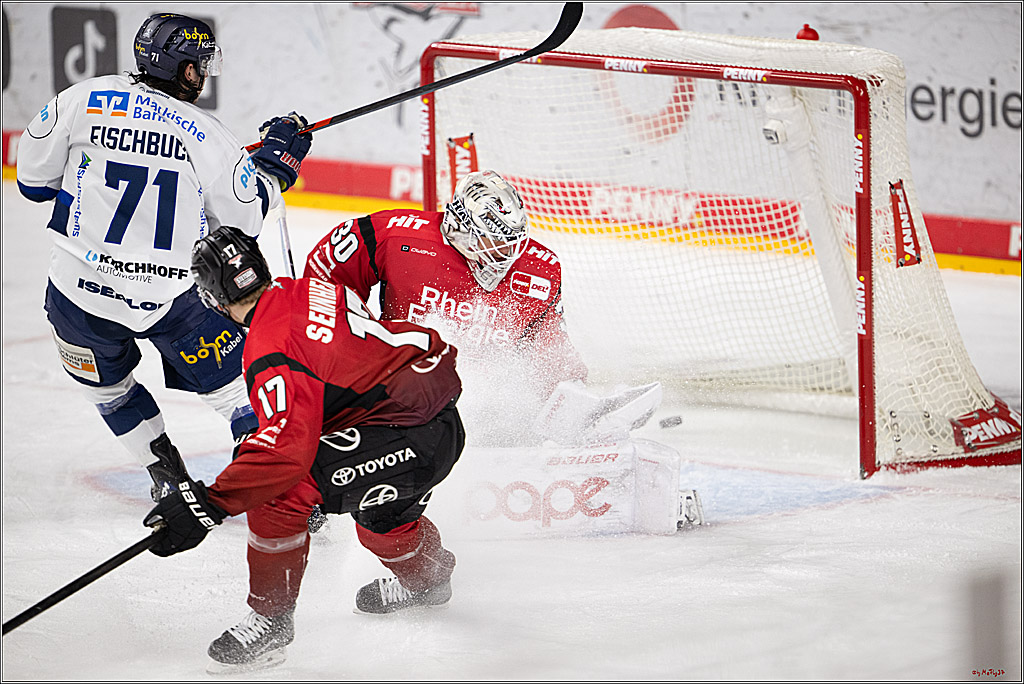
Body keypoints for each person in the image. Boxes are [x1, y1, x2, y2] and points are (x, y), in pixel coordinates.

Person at [15, 13, 312, 500]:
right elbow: (242, 224)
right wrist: (275, 166)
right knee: (237, 389)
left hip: (77, 298)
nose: (202, 74)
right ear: (185, 70)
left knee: (108, 389)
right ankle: (276, 486)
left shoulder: (81, 99)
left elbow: (31, 183)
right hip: (175, 299)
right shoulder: (205, 133)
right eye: (200, 64)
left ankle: (166, 477)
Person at [143, 226, 465, 672]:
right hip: (427, 419)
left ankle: (270, 621)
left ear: (212, 300)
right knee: (379, 521)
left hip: (408, 430)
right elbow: (334, 377)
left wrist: (209, 503)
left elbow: (284, 456)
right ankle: (429, 581)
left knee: (281, 490)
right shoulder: (307, 288)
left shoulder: (269, 348)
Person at [303, 169, 662, 448]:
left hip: (489, 410)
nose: (506, 255)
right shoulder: (396, 237)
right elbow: (322, 276)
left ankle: (580, 424)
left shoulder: (540, 267)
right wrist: (351, 346)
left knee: (517, 413)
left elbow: (548, 341)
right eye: (494, 241)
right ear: (460, 228)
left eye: (512, 242)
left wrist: (571, 393)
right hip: (396, 393)